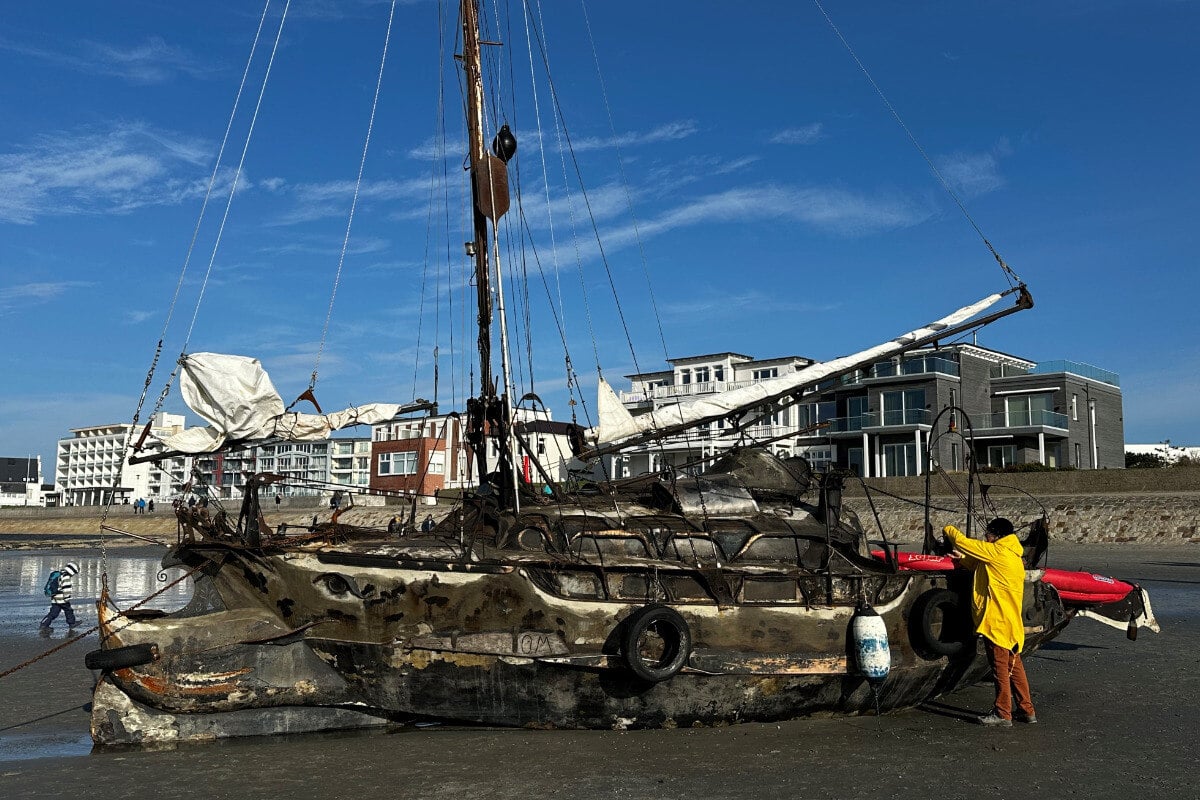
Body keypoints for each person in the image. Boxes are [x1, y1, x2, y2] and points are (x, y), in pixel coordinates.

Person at [943, 517, 1037, 727]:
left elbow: (963, 541)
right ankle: (1027, 710)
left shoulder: (997, 552)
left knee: (1000, 669)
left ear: (997, 536)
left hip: (997, 623)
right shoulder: (1012, 556)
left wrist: (948, 529)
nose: (986, 537)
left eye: (988, 534)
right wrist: (962, 560)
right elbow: (981, 565)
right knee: (1015, 667)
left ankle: (1003, 713)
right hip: (1011, 622)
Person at [40, 561, 81, 632]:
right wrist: (67, 598)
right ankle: (72, 623)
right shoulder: (66, 577)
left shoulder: (59, 575)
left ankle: (44, 624)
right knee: (68, 610)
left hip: (55, 598)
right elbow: (66, 589)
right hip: (62, 599)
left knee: (53, 613)